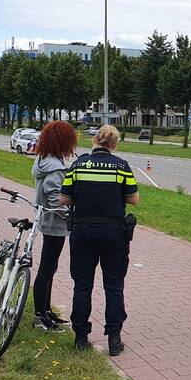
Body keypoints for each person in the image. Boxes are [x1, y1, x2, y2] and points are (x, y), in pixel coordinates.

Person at [59, 125, 138, 355]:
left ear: (95, 140)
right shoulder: (121, 166)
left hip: (83, 231)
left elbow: (64, 199)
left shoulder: (78, 165)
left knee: (82, 285)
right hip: (114, 232)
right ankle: (114, 339)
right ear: (114, 144)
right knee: (114, 285)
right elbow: (133, 199)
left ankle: (81, 337)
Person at [31, 120, 77, 332]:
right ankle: (41, 315)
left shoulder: (43, 160)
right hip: (54, 224)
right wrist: (70, 216)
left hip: (45, 221)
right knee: (47, 269)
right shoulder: (56, 168)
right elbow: (55, 200)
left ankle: (46, 311)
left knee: (49, 267)